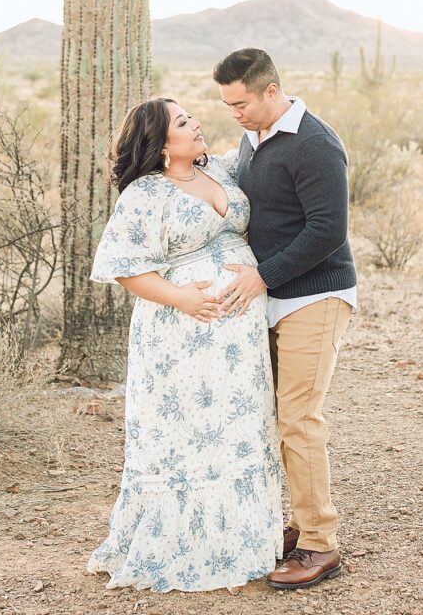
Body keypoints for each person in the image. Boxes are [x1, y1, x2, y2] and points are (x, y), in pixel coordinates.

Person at [86, 98, 283, 594]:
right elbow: (124, 266)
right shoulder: (146, 194)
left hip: (240, 331)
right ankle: (189, 543)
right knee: (191, 429)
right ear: (159, 143)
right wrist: (182, 299)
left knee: (239, 423)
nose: (195, 124)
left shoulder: (219, 167)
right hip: (181, 332)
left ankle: (249, 536)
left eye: (192, 116)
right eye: (181, 122)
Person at [213, 48, 357, 591]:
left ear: (271, 91)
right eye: (227, 105)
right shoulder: (254, 140)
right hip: (273, 297)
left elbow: (327, 231)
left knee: (298, 417)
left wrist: (263, 276)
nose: (236, 114)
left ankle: (321, 543)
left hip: (314, 297)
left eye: (241, 103)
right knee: (275, 416)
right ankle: (300, 521)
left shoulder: (316, 144)